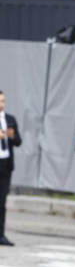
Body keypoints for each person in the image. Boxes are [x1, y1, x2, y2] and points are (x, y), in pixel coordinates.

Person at [0, 90, 21, 246]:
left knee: (2, 201)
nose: (1, 104)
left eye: (3, 101)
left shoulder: (10, 119)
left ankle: (1, 234)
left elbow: (18, 141)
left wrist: (11, 136)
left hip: (5, 164)